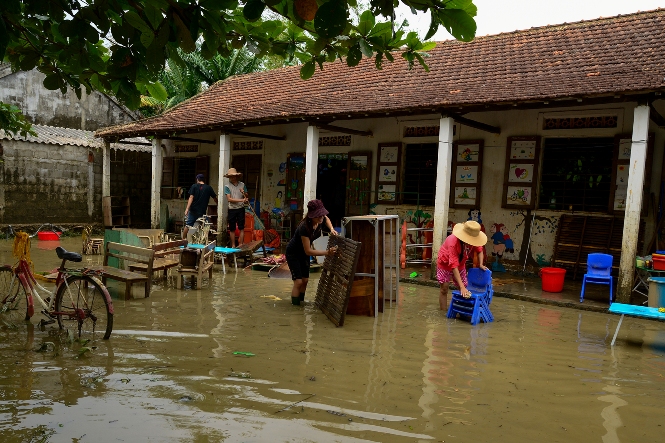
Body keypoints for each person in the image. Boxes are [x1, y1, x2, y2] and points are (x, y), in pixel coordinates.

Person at [285, 199, 338, 306]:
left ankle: (301, 303)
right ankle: (295, 308)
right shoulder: (304, 227)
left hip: (303, 253)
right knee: (298, 282)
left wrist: (331, 229)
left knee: (305, 280)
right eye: (318, 215)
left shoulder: (320, 220)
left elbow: (326, 218)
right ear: (311, 215)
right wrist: (327, 252)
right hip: (293, 253)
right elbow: (308, 251)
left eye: (322, 215)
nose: (321, 217)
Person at [437, 220, 488, 311]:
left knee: (464, 289)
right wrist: (462, 287)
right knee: (444, 289)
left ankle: (462, 310)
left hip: (460, 264)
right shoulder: (453, 242)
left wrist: (480, 264)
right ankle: (443, 312)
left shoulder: (474, 240)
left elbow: (480, 250)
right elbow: (453, 266)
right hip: (445, 263)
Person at [183, 174, 218, 240]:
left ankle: (183, 239)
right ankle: (206, 240)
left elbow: (191, 197)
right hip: (202, 212)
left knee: (188, 225)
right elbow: (215, 198)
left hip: (193, 211)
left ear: (197, 180)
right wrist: (218, 205)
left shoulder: (194, 186)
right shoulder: (208, 188)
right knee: (206, 226)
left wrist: (187, 208)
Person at [223, 168, 249, 248]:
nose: (233, 178)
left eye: (234, 176)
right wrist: (242, 200)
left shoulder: (242, 185)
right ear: (229, 177)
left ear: (237, 176)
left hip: (241, 209)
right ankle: (233, 245)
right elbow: (229, 199)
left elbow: (247, 196)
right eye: (231, 177)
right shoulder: (227, 186)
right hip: (232, 209)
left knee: (241, 227)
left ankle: (241, 244)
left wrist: (243, 193)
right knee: (232, 228)